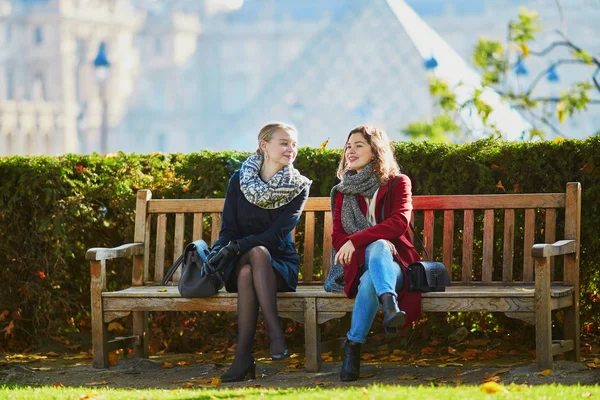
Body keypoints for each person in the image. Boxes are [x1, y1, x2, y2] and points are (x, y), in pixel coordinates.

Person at [206, 122, 311, 383]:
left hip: (279, 264)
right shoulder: (238, 180)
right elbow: (229, 228)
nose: (291, 149)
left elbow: (276, 236)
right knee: (253, 257)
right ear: (264, 145)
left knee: (251, 267)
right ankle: (275, 335)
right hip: (238, 255)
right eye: (284, 143)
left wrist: (237, 246)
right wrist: (223, 249)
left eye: (294, 144)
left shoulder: (298, 186)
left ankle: (243, 358)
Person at [329, 125, 421, 382]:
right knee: (374, 258)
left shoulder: (398, 183)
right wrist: (359, 246)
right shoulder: (343, 190)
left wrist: (357, 240)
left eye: (359, 145)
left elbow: (398, 223)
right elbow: (337, 236)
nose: (351, 151)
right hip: (359, 264)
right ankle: (389, 305)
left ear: (376, 150)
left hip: (396, 265)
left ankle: (353, 347)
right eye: (348, 146)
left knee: (378, 256)